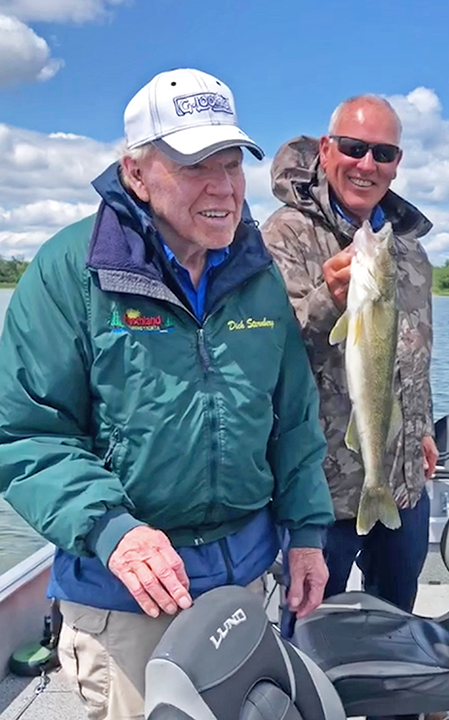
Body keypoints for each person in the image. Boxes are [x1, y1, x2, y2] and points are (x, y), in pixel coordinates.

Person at [0, 68, 333, 720]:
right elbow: (27, 432)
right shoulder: (72, 271)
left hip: (246, 579)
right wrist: (112, 530)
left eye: (231, 162)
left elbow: (293, 416)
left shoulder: (258, 274)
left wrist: (308, 532)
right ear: (135, 174)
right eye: (192, 164)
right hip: (127, 599)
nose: (223, 186)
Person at [263, 95, 443, 720]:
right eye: (355, 147)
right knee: (310, 637)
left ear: (396, 164)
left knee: (395, 621)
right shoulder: (283, 234)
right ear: (326, 149)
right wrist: (326, 301)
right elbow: (263, 347)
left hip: (401, 483)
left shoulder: (409, 251)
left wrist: (419, 429)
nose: (367, 163)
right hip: (318, 492)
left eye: (384, 153)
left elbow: (410, 355)